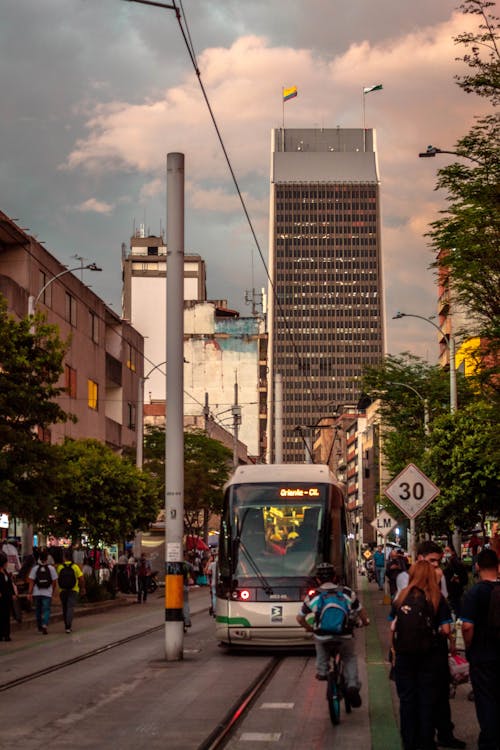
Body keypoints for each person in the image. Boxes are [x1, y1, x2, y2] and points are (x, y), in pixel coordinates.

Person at [391, 560, 453, 750]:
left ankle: (409, 741)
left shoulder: (401, 597)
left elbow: (392, 626)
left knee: (407, 700)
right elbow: (446, 628)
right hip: (430, 656)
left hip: (404, 656)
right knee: (427, 699)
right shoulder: (437, 598)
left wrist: (394, 651)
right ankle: (426, 741)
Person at [297, 562, 369, 708]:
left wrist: (310, 628)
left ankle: (322, 670)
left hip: (322, 634)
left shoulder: (313, 596)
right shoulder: (347, 592)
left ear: (317, 579)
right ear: (335, 577)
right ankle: (352, 685)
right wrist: (365, 622)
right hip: (344, 633)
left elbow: (300, 618)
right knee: (349, 657)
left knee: (319, 642)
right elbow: (360, 611)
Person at [461, 548, 500, 750]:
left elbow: (467, 626)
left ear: (477, 567)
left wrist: (469, 646)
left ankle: (489, 741)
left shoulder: (474, 592)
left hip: (482, 656)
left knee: (486, 700)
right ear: (498, 567)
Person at [27, 548, 58, 635]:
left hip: (37, 592)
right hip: (47, 592)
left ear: (39, 558)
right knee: (46, 609)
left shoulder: (35, 568)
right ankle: (44, 625)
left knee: (38, 610)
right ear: (47, 558)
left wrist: (29, 593)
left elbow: (31, 581)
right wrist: (52, 591)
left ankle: (39, 626)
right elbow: (54, 581)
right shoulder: (51, 568)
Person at [57, 549, 85, 633]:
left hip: (62, 590)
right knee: (70, 607)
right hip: (73, 590)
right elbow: (81, 579)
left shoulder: (60, 567)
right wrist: (83, 588)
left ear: (64, 557)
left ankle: (66, 625)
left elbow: (58, 578)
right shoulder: (75, 567)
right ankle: (68, 626)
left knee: (64, 607)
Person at [443, 546, 469, 617]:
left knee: (457, 611)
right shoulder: (447, 563)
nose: (446, 553)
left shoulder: (456, 563)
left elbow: (464, 579)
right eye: (445, 551)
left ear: (453, 552)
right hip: (452, 593)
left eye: (448, 551)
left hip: (455, 593)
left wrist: (456, 580)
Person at [0, 551, 17, 641]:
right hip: (1, 597)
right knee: (1, 616)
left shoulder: (6, 572)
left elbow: (9, 584)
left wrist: (13, 594)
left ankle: (6, 634)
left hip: (7, 597)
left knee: (6, 616)